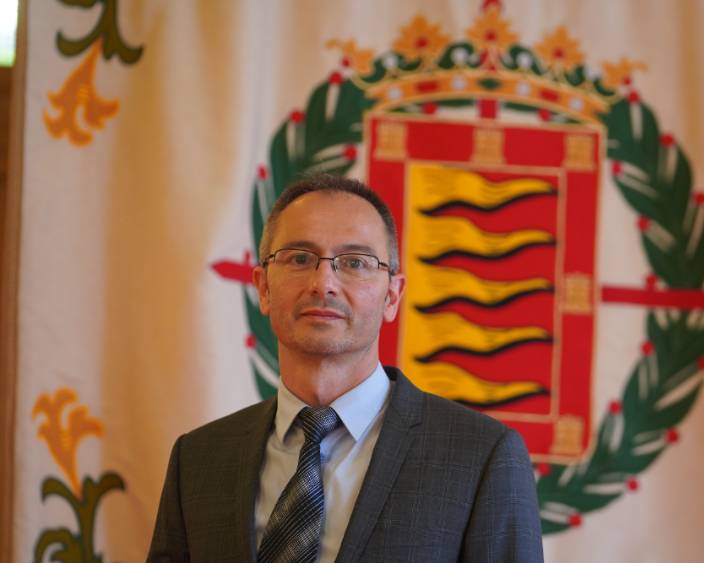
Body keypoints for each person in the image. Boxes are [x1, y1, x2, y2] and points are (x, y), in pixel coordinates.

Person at [148, 174, 543, 562]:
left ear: (392, 296)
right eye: (300, 258)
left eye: (355, 262)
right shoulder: (197, 459)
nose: (324, 283)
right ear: (264, 288)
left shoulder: (482, 456)